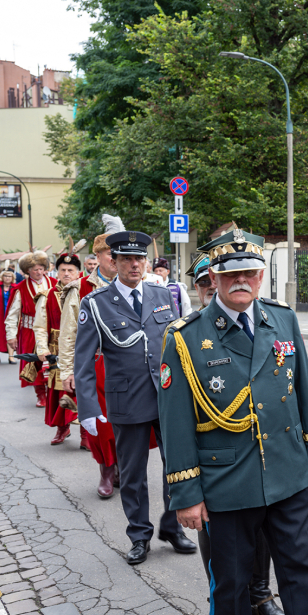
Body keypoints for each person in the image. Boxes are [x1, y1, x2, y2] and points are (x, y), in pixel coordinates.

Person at [159, 227, 308, 615]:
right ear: (213, 279)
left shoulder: (283, 319)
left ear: (260, 276)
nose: (242, 280)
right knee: (232, 585)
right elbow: (176, 422)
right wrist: (186, 493)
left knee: (301, 572)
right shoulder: (186, 338)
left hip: (287, 474)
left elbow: (303, 393)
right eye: (230, 273)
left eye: (250, 272)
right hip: (227, 483)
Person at [74, 229, 196, 564]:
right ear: (113, 262)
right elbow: (82, 362)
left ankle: (173, 527)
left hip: (166, 396)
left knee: (178, 466)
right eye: (126, 259)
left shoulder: (161, 295)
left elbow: (177, 347)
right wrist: (87, 409)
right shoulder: (96, 304)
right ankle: (139, 535)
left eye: (139, 258)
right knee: (132, 473)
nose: (134, 265)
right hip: (126, 399)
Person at [63, 215, 124, 498]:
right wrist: (67, 370)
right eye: (109, 253)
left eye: (118, 253)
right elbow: (68, 333)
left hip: (129, 365)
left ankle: (124, 465)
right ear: (97, 256)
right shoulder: (80, 289)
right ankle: (106, 469)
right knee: (101, 422)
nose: (115, 258)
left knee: (128, 420)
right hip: (96, 365)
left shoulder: (141, 284)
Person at [33, 253, 83, 447]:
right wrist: (43, 349)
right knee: (60, 392)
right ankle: (62, 428)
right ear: (57, 272)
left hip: (82, 349)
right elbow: (39, 326)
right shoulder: (46, 296)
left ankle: (87, 435)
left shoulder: (86, 293)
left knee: (85, 391)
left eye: (71, 270)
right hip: (57, 351)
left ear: (78, 272)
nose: (67, 273)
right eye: (63, 270)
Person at [6, 251, 57, 407]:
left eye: (41, 268)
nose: (39, 272)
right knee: (34, 364)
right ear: (27, 270)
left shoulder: (55, 283)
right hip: (29, 332)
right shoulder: (20, 288)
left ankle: (53, 394)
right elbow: (12, 315)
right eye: (35, 269)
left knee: (53, 363)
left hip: (52, 331)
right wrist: (11, 336)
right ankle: (40, 395)